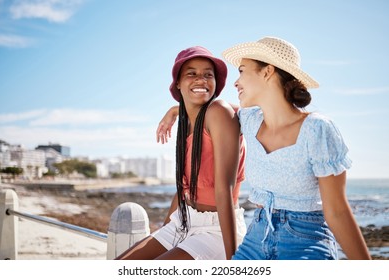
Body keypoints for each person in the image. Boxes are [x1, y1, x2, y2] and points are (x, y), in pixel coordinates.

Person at [156, 37, 371, 260]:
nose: (235, 82)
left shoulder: (317, 129)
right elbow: (207, 109)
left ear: (267, 72)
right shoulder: (250, 121)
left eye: (242, 71)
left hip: (305, 240)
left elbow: (337, 212)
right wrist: (176, 109)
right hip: (256, 237)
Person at [116, 46, 246, 260]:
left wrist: (233, 260)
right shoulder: (187, 123)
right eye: (191, 73)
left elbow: (224, 189)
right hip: (184, 221)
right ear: (178, 82)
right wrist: (165, 229)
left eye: (208, 74)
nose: (201, 79)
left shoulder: (219, 112)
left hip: (216, 230)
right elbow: (184, 189)